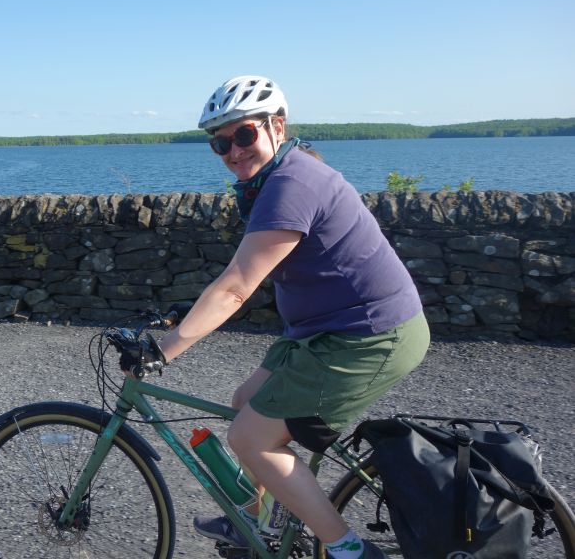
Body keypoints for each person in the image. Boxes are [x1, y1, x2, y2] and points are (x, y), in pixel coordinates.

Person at [153, 76, 431, 559]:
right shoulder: (282, 177)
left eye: (244, 135)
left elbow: (238, 286)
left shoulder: (291, 183)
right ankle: (263, 522)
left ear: (276, 127)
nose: (233, 150)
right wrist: (189, 315)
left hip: (368, 337)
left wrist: (162, 351)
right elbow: (254, 271)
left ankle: (350, 551)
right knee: (246, 401)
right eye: (221, 142)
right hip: (327, 331)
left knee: (252, 438)